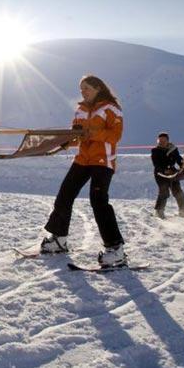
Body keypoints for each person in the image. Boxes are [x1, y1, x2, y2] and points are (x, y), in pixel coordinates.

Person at [40, 75, 127, 267]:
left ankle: (116, 249)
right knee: (64, 195)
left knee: (98, 201)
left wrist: (93, 134)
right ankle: (59, 239)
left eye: (86, 88)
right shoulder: (80, 110)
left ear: (97, 88)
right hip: (83, 159)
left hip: (103, 161)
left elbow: (115, 135)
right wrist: (63, 141)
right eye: (81, 89)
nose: (83, 92)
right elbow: (75, 134)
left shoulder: (111, 108)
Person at [151, 132, 184, 219]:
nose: (162, 142)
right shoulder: (155, 150)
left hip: (173, 173)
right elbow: (156, 163)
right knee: (164, 191)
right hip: (160, 174)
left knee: (178, 192)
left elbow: (179, 159)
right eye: (160, 140)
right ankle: (159, 211)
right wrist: (164, 170)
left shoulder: (173, 149)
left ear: (168, 140)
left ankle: (183, 211)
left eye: (164, 140)